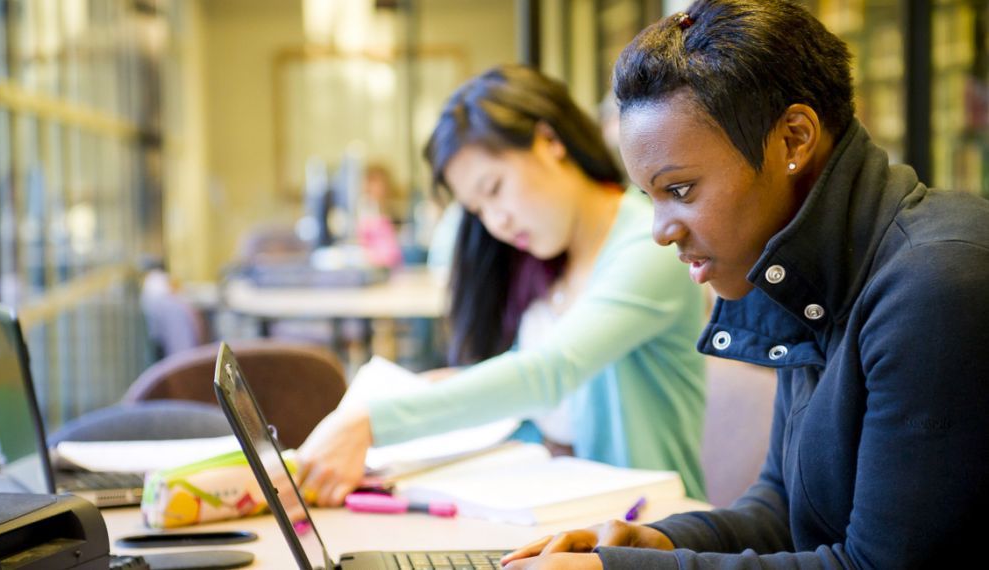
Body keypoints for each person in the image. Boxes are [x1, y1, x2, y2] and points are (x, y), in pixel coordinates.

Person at [501, 1, 989, 568]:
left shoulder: (937, 282)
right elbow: (786, 508)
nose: (660, 232)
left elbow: (877, 565)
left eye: (679, 189)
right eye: (650, 198)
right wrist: (662, 541)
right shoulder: (812, 266)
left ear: (794, 139)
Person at [294, 64, 708, 509]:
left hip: (652, 527)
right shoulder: (548, 260)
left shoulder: (650, 244)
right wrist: (453, 385)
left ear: (550, 142)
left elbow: (550, 373)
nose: (497, 221)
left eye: (494, 189)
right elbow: (541, 400)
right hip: (562, 513)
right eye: (479, 209)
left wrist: (370, 422)